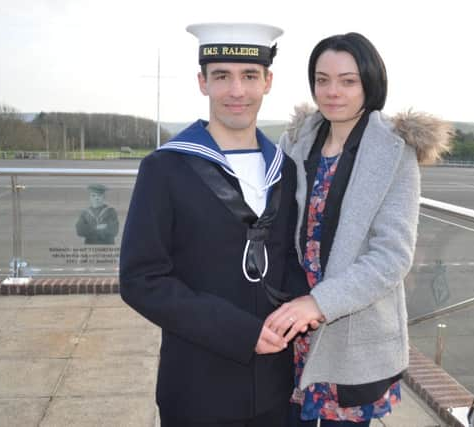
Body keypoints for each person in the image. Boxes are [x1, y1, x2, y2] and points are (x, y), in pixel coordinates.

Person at [119, 23, 306, 427]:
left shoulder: (285, 169)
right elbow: (141, 279)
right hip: (198, 386)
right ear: (203, 83)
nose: (236, 91)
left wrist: (301, 307)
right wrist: (241, 332)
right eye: (222, 76)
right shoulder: (164, 168)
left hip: (275, 388)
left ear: (267, 82)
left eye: (249, 76)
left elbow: (288, 257)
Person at [267, 32, 452, 426]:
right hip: (293, 327)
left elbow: (391, 256)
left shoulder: (394, 150)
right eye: (322, 79)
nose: (332, 91)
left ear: (370, 82)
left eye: (348, 81)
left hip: (352, 333)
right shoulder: (297, 140)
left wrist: (320, 303)